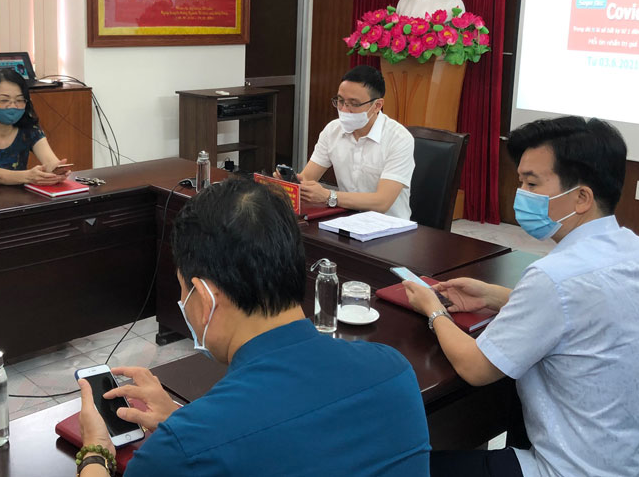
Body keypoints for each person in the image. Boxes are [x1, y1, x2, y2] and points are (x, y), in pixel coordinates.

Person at [74, 177, 432, 476]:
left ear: (205, 297)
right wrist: (182, 419)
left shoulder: (181, 450)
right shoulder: (394, 370)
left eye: (183, 290)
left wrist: (95, 451)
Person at [403, 117, 639, 477]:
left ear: (582, 198)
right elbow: (587, 311)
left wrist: (434, 310)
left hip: (581, 471)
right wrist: (495, 296)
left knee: (395, 467)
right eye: (520, 181)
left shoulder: (555, 276)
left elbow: (475, 368)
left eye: (532, 183)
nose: (521, 193)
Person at [285, 65, 415, 219]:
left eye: (354, 103)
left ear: (377, 105)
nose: (344, 110)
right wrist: (290, 184)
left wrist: (329, 196)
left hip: (388, 225)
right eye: (340, 101)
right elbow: (307, 178)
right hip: (346, 219)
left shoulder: (399, 138)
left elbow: (382, 202)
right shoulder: (332, 130)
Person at [0, 69, 68, 186]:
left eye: (19, 100)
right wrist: (28, 176)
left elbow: (50, 161)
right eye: (4, 100)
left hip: (17, 195)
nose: (13, 106)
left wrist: (57, 170)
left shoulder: (30, 129)